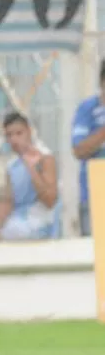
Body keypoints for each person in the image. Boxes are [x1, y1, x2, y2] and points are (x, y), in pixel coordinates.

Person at [0, 113, 58, 241]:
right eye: (9, 135)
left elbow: (50, 200)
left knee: (12, 233)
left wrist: (32, 169)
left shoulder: (45, 158)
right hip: (16, 223)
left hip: (39, 225)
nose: (14, 139)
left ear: (29, 132)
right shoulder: (12, 166)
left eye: (19, 133)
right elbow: (8, 201)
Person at [71, 61, 105, 236]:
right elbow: (78, 150)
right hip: (95, 198)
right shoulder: (88, 109)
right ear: (102, 83)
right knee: (96, 256)